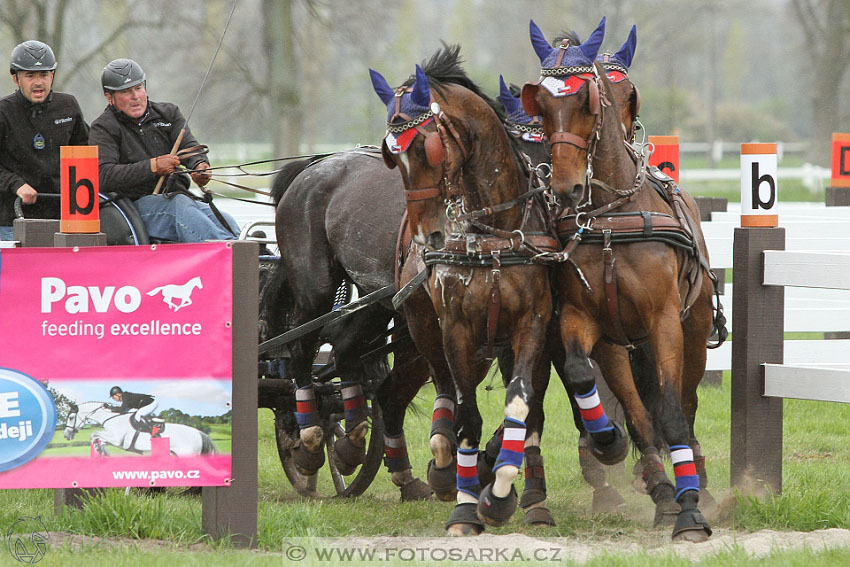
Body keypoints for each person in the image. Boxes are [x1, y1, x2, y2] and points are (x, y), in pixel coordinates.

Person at [88, 58, 239, 243]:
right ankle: (228, 256)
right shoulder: (103, 128)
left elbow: (189, 147)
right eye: (126, 92)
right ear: (109, 98)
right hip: (133, 208)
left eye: (139, 88)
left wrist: (200, 165)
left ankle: (255, 256)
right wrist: (153, 166)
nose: (135, 96)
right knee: (180, 207)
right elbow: (104, 175)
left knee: (226, 220)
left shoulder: (169, 113)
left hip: (176, 199)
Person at [0, 40, 89, 240]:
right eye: (30, 76)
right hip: (11, 220)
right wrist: (16, 184)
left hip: (64, 217)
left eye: (44, 75)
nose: (38, 82)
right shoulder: (3, 112)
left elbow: (84, 154)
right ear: (16, 79)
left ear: (53, 76)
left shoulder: (68, 105)